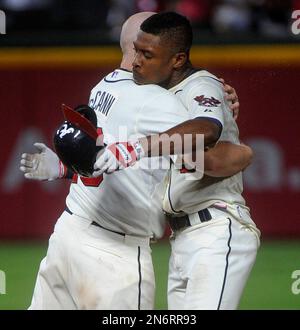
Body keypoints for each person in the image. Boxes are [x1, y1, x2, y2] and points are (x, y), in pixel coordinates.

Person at [20, 12, 250, 310]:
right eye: (143, 49)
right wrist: (237, 140)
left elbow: (110, 160)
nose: (143, 56)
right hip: (116, 254)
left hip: (68, 233)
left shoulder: (101, 87)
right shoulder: (157, 100)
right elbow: (221, 158)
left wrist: (66, 169)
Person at [93, 12, 260, 310]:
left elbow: (208, 130)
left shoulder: (201, 86)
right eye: (137, 52)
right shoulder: (158, 97)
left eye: (147, 54)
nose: (136, 62)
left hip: (216, 227)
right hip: (182, 237)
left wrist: (140, 147)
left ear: (178, 60)